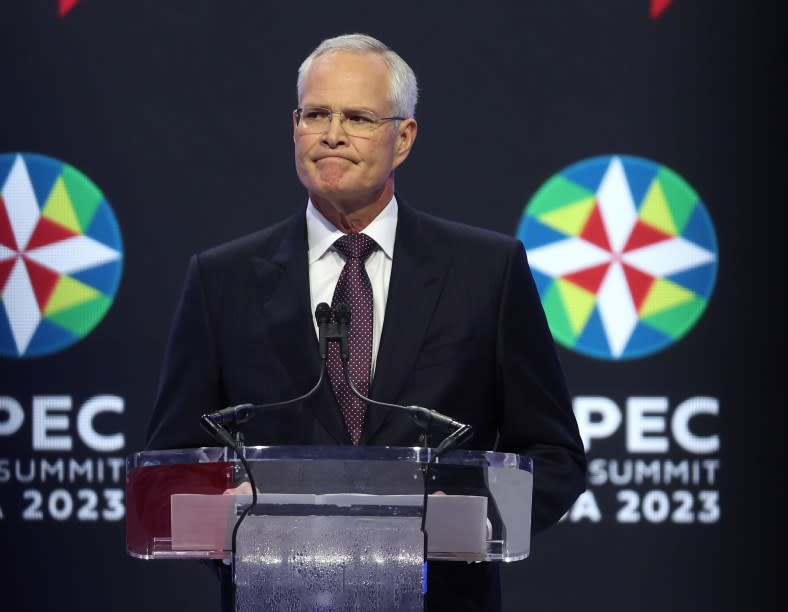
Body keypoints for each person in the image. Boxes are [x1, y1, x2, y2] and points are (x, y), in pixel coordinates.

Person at [145, 33, 586, 611]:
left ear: (403, 137)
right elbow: (172, 463)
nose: (332, 134)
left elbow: (553, 455)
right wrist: (233, 512)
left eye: (357, 117)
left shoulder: (488, 271)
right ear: (294, 127)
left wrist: (466, 519)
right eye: (316, 114)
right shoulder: (221, 279)